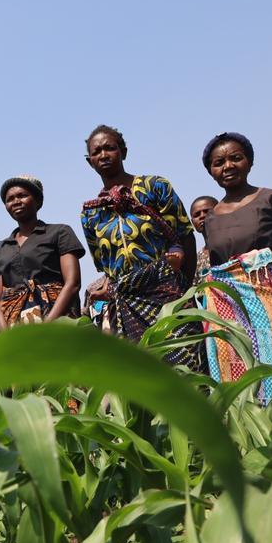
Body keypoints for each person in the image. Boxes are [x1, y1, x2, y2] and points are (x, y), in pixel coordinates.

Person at [200, 133, 272, 402]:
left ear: (249, 162)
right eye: (219, 163)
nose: (227, 166)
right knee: (241, 373)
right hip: (232, 309)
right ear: (211, 172)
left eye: (235, 158)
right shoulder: (212, 218)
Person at [79, 125, 203, 369]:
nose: (103, 155)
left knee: (187, 368)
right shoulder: (91, 212)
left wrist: (183, 291)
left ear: (123, 152)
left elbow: (185, 237)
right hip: (126, 304)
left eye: (110, 148)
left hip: (167, 293)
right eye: (97, 152)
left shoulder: (154, 187)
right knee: (145, 380)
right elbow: (104, 265)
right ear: (89, 161)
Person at [0, 176, 85, 327]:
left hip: (59, 320)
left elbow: (72, 283)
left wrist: (47, 327)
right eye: (10, 199)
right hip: (17, 327)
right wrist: (6, 336)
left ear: (38, 201)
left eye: (22, 195)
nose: (16, 201)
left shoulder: (60, 232)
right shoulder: (2, 248)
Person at [188, 195, 219, 280]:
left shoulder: (236, 245)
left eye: (207, 211)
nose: (202, 216)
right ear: (192, 222)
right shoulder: (196, 260)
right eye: (197, 214)